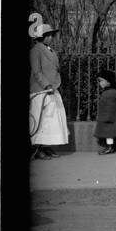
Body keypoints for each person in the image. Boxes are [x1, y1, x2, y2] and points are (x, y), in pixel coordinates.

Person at [29, 22, 69, 159]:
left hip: (52, 89)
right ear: (42, 37)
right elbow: (36, 71)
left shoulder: (50, 50)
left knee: (52, 119)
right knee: (41, 119)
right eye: (49, 35)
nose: (51, 37)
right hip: (41, 90)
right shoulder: (35, 50)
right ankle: (37, 148)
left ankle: (46, 147)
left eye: (51, 35)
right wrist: (46, 85)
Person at [94, 69, 116, 154]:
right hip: (108, 118)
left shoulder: (110, 93)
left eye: (101, 81)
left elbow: (111, 107)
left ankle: (110, 148)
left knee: (109, 134)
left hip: (109, 119)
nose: (100, 83)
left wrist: (106, 117)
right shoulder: (111, 91)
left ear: (108, 81)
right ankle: (110, 147)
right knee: (108, 135)